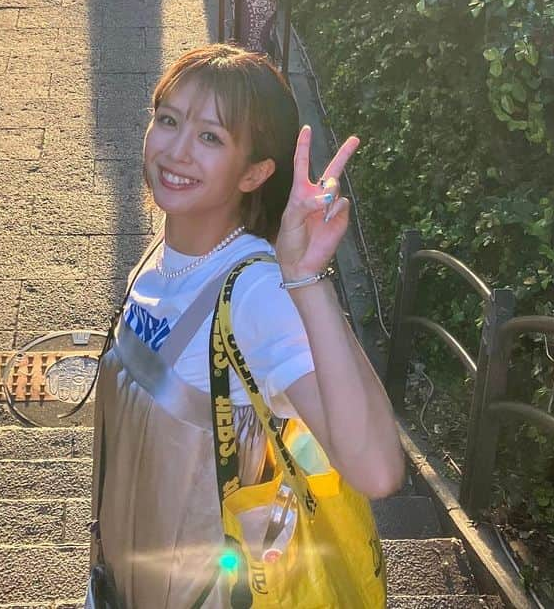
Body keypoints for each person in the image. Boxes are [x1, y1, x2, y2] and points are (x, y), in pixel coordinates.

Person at [88, 44, 405, 609]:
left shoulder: (257, 292)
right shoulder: (163, 253)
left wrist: (307, 279)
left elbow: (376, 470)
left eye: (210, 137)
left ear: (256, 171)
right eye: (168, 120)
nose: (176, 150)